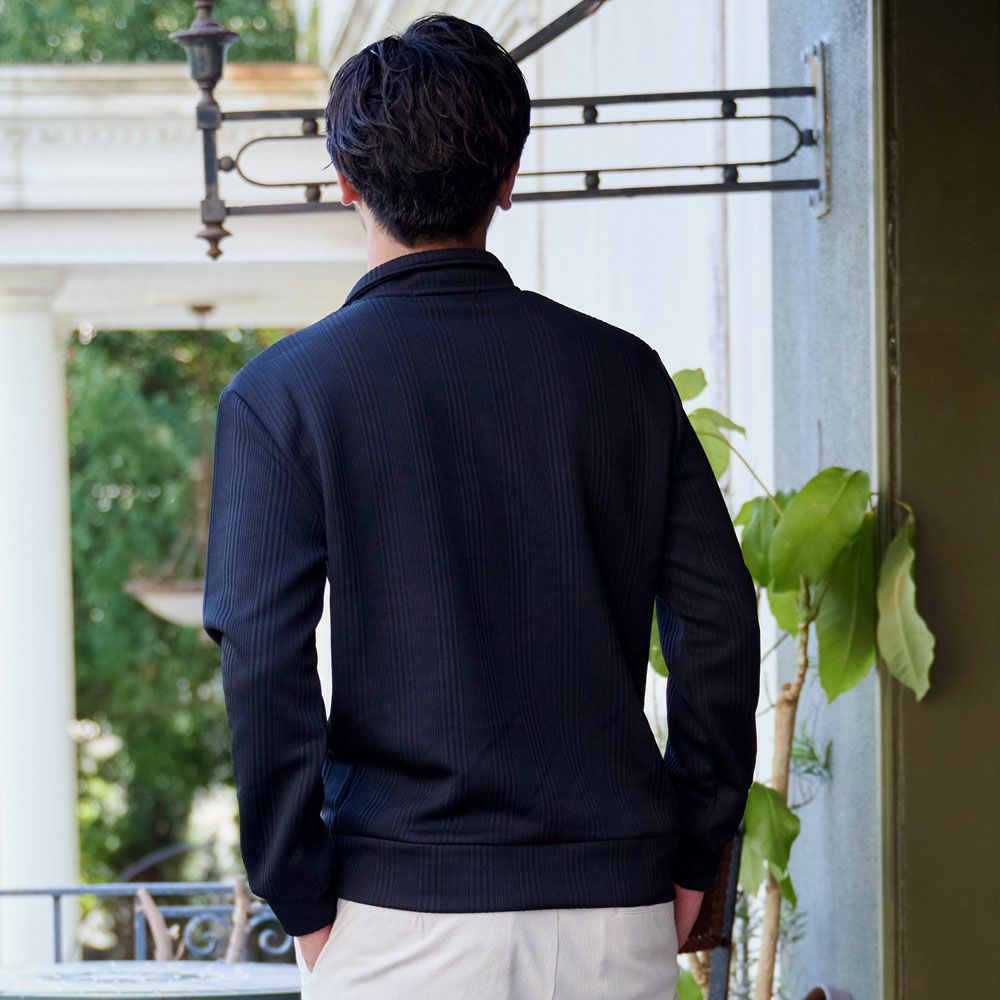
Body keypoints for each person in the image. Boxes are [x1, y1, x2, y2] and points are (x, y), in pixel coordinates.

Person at [202, 12, 760, 1000]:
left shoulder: (283, 395)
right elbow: (717, 625)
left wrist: (299, 892)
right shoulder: (623, 375)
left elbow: (262, 654)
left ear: (348, 183)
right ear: (508, 179)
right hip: (612, 913)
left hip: (395, 918)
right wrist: (692, 852)